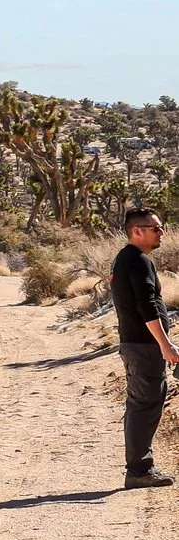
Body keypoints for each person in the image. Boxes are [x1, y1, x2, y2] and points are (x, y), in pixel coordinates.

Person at [108, 207, 177, 488]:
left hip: (136, 343)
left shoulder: (126, 259)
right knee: (145, 405)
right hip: (143, 346)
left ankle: (139, 468)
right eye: (155, 228)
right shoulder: (137, 261)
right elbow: (146, 306)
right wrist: (165, 344)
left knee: (141, 404)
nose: (161, 232)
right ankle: (139, 470)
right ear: (137, 231)